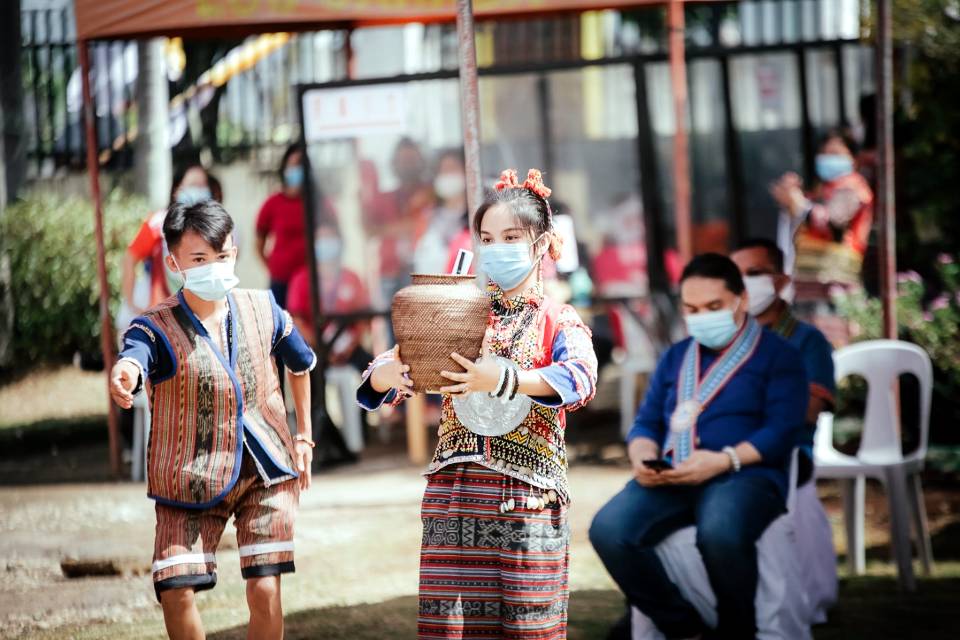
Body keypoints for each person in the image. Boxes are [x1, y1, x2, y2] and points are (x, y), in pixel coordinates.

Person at [358, 169, 598, 638]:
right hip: (454, 494)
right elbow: (377, 381)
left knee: (529, 629)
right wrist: (388, 373)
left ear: (542, 242)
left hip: (528, 497)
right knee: (451, 631)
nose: (498, 247)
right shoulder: (458, 309)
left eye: (512, 236)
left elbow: (581, 380)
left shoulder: (556, 317)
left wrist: (508, 377)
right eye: (488, 237)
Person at [109, 200, 316, 640]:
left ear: (235, 253)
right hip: (189, 473)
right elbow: (135, 356)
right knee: (175, 589)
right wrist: (125, 373)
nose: (213, 267)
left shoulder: (265, 308)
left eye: (221, 256)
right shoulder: (154, 326)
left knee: (265, 588)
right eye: (199, 258)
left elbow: (301, 363)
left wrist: (304, 437)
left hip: (267, 468)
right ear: (174, 262)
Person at [589, 253, 808, 640]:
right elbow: (646, 422)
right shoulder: (676, 356)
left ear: (741, 299)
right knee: (609, 529)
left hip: (746, 474)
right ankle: (684, 628)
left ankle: (736, 631)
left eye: (713, 307)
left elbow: (783, 429)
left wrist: (725, 460)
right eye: (691, 308)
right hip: (674, 472)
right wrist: (642, 455)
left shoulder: (780, 355)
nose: (701, 317)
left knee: (720, 532)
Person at [731, 238, 835, 485]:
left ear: (780, 281)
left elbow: (807, 412)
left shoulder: (808, 341)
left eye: (754, 273)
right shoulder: (724, 341)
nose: (743, 283)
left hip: (785, 454)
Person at [287, 220, 371, 454]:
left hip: (349, 349)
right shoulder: (302, 279)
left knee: (374, 370)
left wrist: (350, 345)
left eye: (330, 239)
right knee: (310, 379)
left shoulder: (351, 278)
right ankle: (322, 441)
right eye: (321, 240)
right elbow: (297, 320)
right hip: (317, 350)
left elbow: (364, 318)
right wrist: (322, 347)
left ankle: (362, 432)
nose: (326, 245)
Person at [770, 129, 874, 288]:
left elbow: (832, 221)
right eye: (824, 153)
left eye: (835, 153)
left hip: (836, 280)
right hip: (811, 281)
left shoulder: (853, 188)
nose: (828, 159)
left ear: (854, 160)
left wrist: (798, 203)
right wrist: (791, 202)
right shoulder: (822, 189)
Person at [122, 163, 215, 314]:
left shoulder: (213, 227)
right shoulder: (158, 224)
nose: (199, 191)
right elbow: (129, 259)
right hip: (164, 316)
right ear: (177, 190)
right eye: (193, 185)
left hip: (201, 315)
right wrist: (131, 304)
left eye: (202, 185)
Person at [361, 138, 434, 302]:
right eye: (402, 160)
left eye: (411, 159)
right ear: (394, 164)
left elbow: (417, 226)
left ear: (420, 162)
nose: (406, 165)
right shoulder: (385, 198)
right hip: (389, 273)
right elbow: (368, 230)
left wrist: (385, 229)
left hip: (422, 272)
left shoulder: (430, 193)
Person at [256, 144, 308, 308]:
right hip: (281, 281)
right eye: (292, 165)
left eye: (300, 164)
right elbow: (259, 242)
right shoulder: (273, 203)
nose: (296, 169)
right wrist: (272, 267)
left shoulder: (316, 203)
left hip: (308, 282)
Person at [413, 149, 470, 275]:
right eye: (443, 171)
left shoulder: (479, 215)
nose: (448, 175)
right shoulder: (428, 218)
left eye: (452, 169)